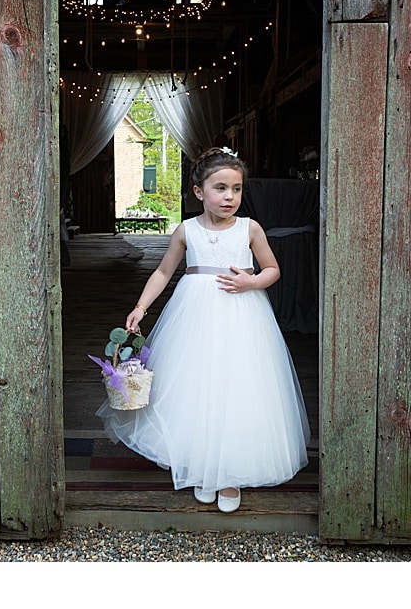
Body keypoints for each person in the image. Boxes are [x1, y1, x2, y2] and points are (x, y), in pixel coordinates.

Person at [97, 146, 310, 513]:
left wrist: (252, 282)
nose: (230, 197)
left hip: (241, 313)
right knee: (195, 387)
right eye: (220, 188)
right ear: (199, 191)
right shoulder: (186, 230)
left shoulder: (250, 228)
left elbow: (273, 269)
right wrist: (140, 307)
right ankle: (198, 463)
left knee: (237, 386)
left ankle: (229, 473)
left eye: (237, 189)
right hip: (194, 315)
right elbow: (164, 271)